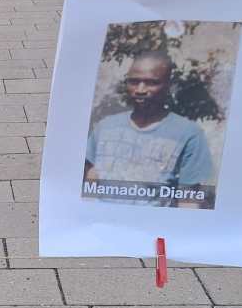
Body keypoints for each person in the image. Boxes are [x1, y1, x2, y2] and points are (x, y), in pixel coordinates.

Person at [84, 50, 214, 207]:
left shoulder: (189, 134)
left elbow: (189, 201)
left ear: (169, 85)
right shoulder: (106, 126)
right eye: (134, 82)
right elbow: (90, 182)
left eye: (152, 83)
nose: (140, 90)